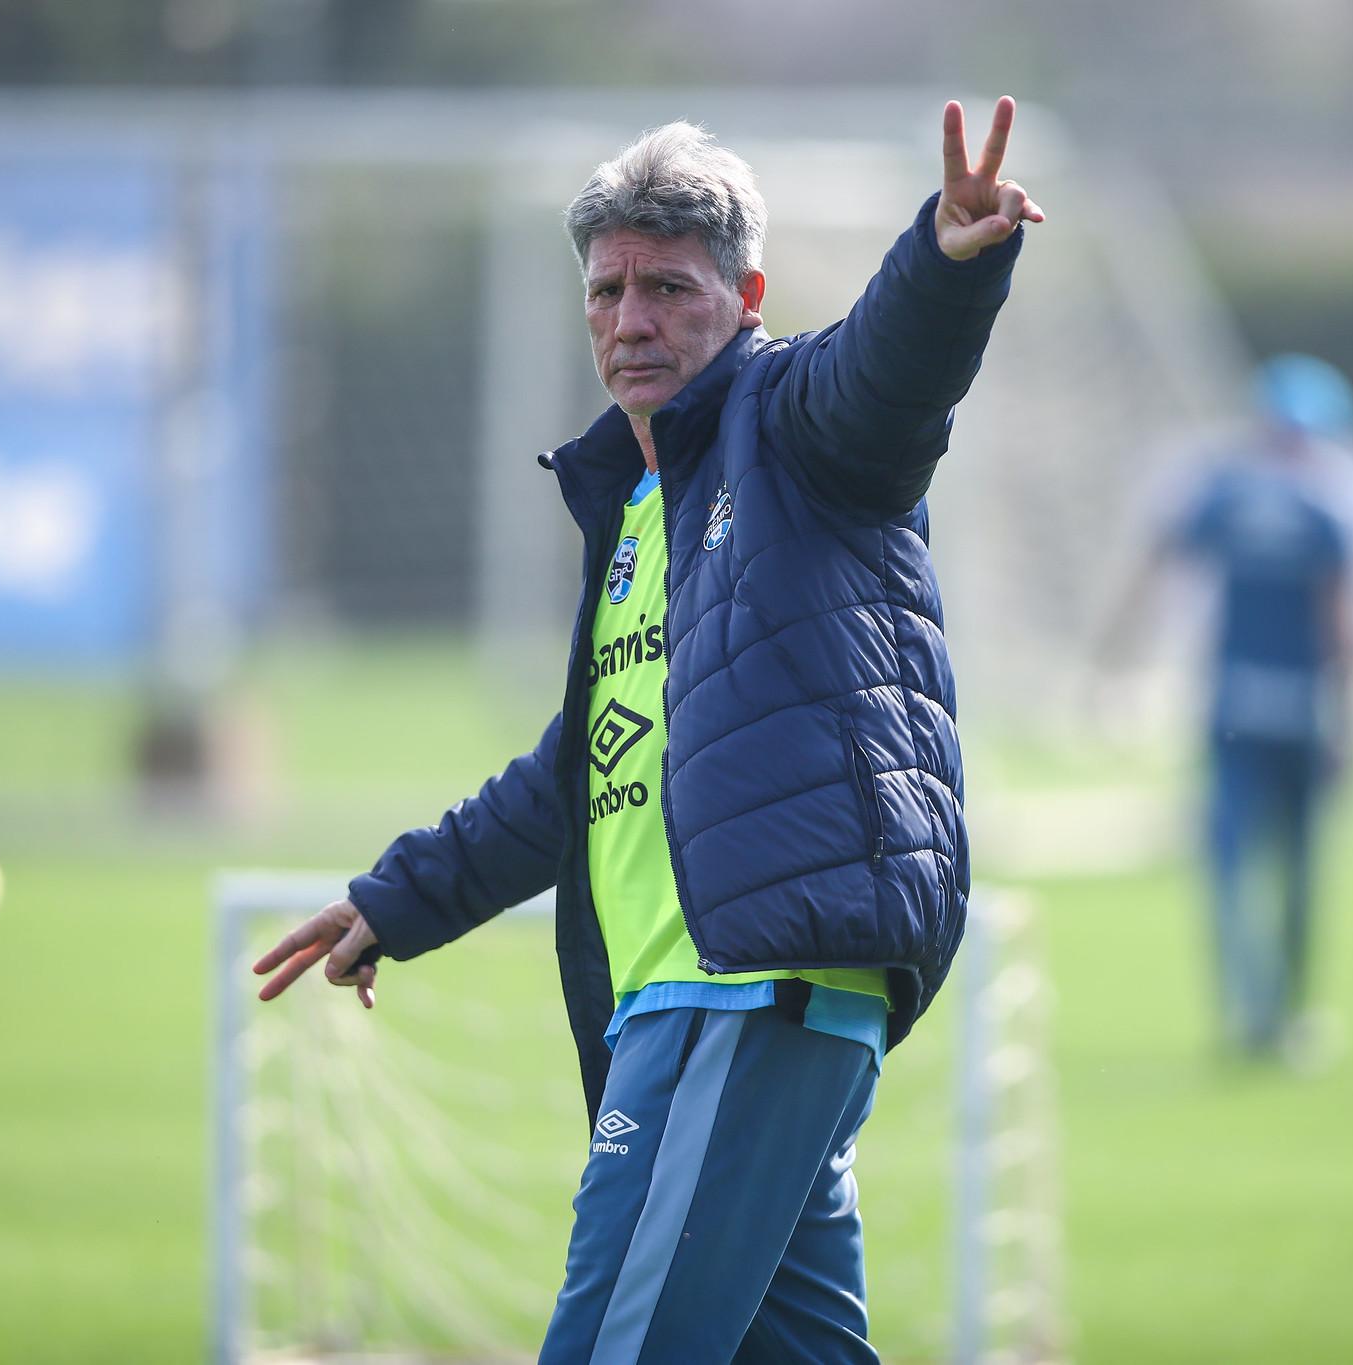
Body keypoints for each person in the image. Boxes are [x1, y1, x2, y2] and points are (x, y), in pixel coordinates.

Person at [251, 99, 1041, 1361]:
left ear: (745, 296)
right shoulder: (636, 510)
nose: (630, 321)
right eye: (607, 291)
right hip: (693, 1002)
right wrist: (400, 899)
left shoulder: (792, 423)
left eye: (668, 288)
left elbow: (887, 373)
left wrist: (946, 264)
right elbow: (580, 771)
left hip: (740, 990)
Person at [1103, 354, 1353, 1062]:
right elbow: (1345, 621)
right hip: (1300, 713)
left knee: (1232, 868)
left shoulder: (1225, 491)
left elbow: (1157, 558)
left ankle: (1250, 1011)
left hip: (1234, 710)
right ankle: (1284, 1011)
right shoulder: (1326, 505)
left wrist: (1118, 649)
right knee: (1296, 871)